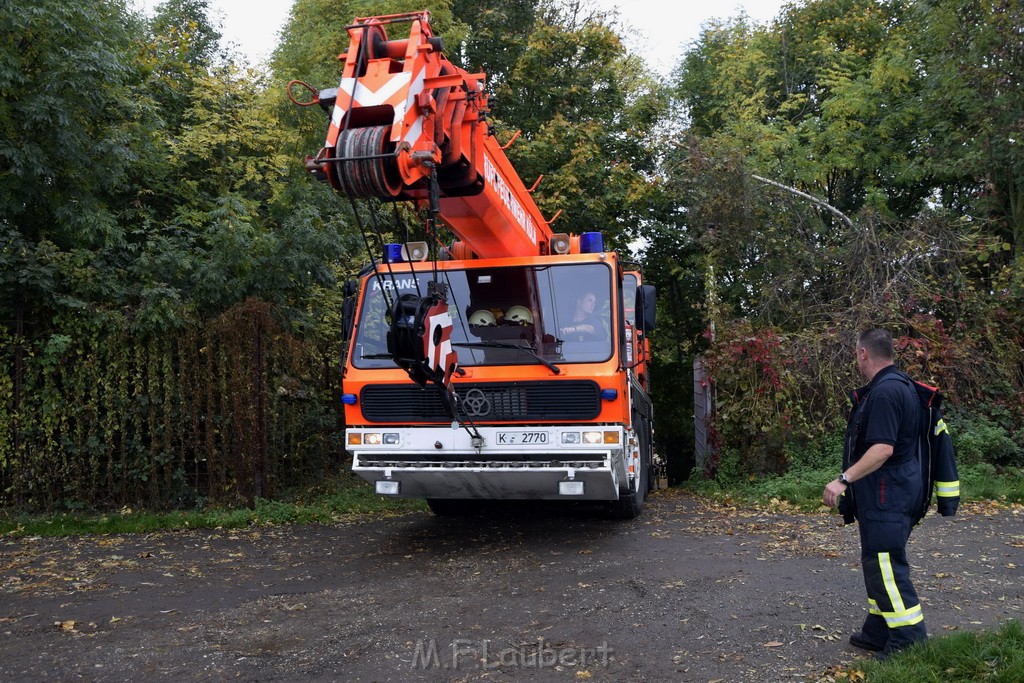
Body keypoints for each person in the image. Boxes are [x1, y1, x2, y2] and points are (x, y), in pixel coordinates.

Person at [822, 328, 928, 660]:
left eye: (856, 354)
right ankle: (880, 629)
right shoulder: (896, 385)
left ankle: (909, 640)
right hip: (890, 492)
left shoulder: (885, 393)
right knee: (876, 561)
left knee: (885, 562)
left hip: (889, 493)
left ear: (864, 354)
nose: (856, 359)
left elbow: (882, 449)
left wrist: (843, 479)